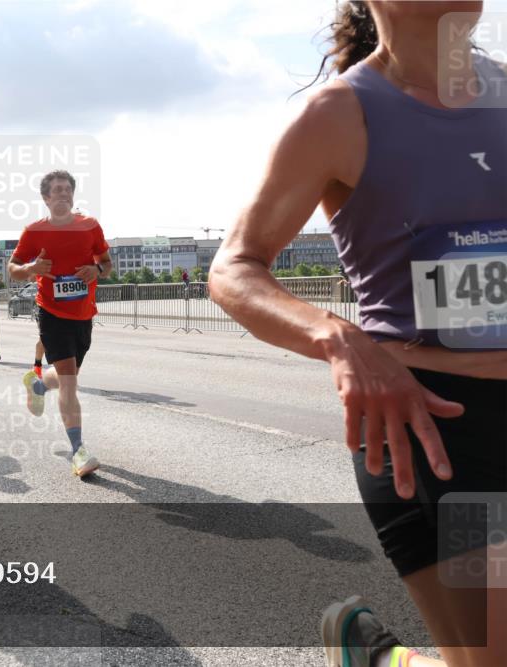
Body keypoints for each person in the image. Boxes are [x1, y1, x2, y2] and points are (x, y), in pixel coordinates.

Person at [209, 3, 506, 666]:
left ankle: (376, 657)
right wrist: (339, 338)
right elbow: (234, 267)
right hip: (433, 421)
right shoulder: (339, 115)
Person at [9, 170, 113, 479]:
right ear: (46, 198)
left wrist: (97, 270)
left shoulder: (90, 226)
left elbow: (106, 264)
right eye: (57, 190)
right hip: (51, 313)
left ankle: (38, 383)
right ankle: (79, 451)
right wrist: (31, 268)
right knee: (70, 383)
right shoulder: (34, 231)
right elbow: (13, 269)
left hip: (83, 315)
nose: (63, 194)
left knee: (69, 375)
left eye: (68, 189)